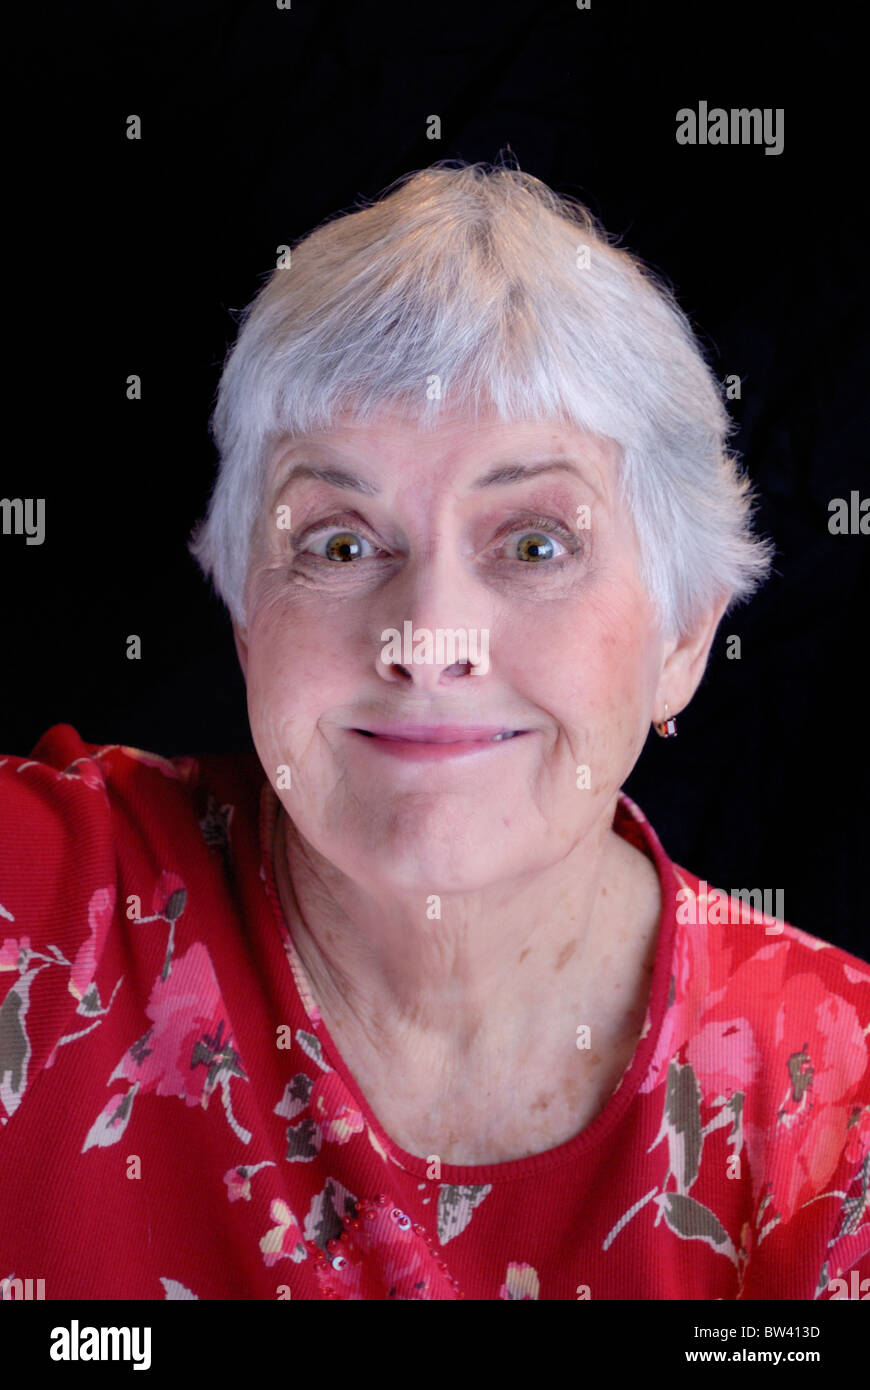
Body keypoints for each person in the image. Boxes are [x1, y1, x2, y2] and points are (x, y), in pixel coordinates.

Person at [1, 161, 868, 1301]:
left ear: (684, 633)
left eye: (535, 544)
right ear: (247, 618)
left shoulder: (839, 1115)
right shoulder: (43, 916)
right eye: (342, 543)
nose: (428, 637)